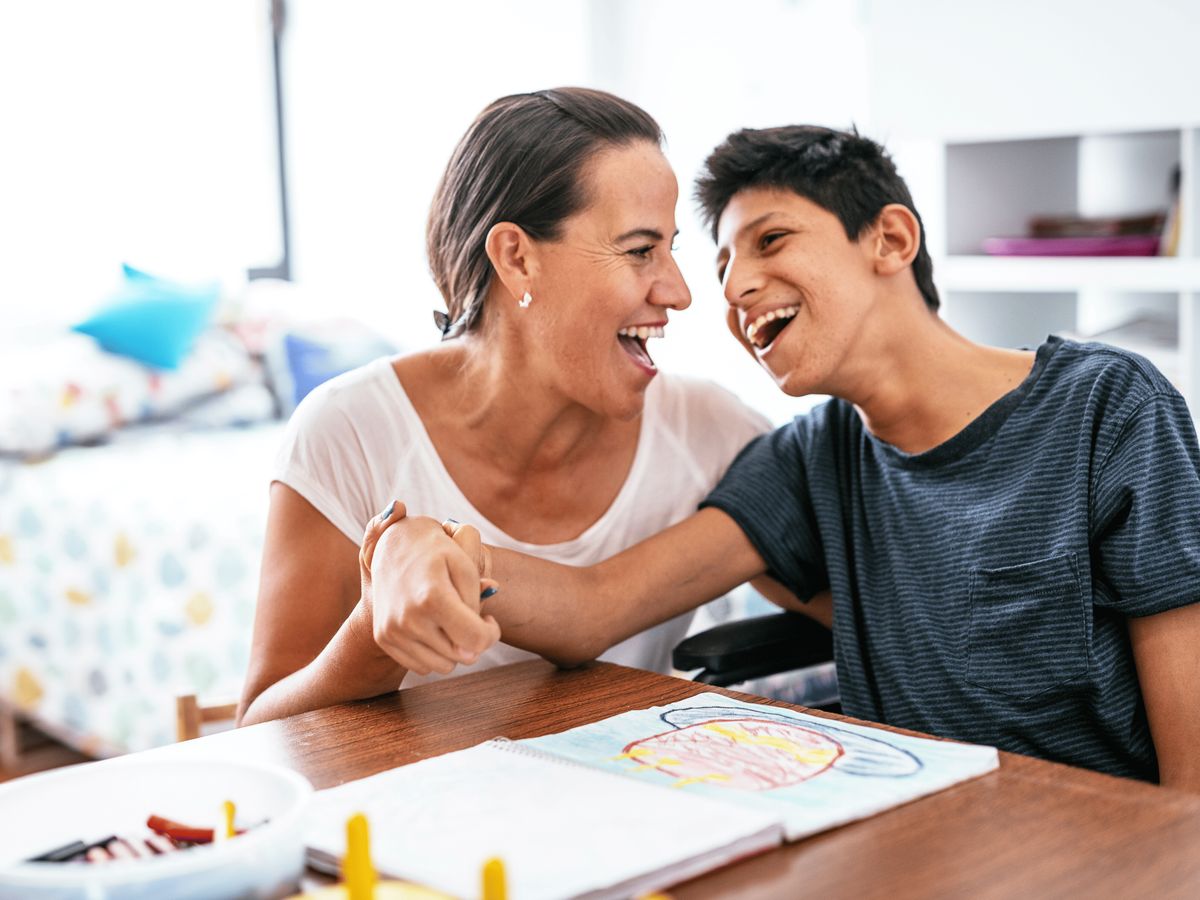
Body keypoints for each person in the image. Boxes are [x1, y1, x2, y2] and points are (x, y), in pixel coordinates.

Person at [367, 125, 1200, 791]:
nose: (730, 289)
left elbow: (1191, 786)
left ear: (891, 239)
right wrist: (427, 548)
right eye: (724, 264)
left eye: (771, 240)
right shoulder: (812, 459)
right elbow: (594, 605)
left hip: (1100, 847)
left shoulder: (1108, 409)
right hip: (915, 842)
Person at [236, 88, 773, 726]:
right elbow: (260, 733)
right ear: (517, 257)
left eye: (671, 248)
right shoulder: (347, 433)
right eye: (638, 251)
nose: (680, 292)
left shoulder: (708, 430)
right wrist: (376, 626)